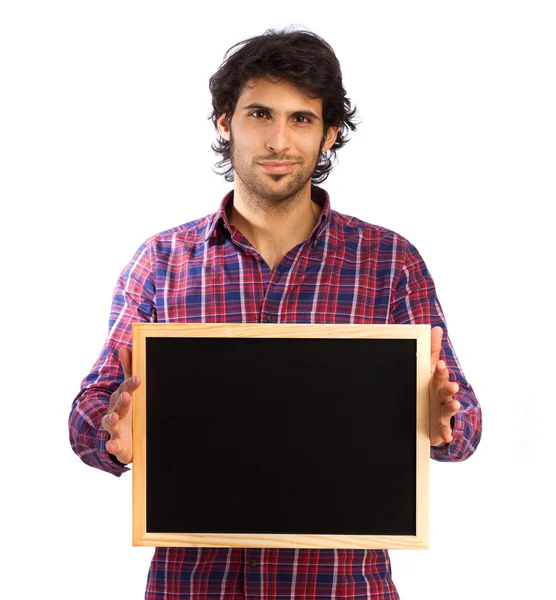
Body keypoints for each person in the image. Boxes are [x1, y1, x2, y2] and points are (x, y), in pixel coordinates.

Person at [69, 26, 482, 600]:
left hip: (340, 586)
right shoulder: (162, 261)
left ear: (330, 133)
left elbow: (461, 427)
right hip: (195, 587)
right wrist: (113, 432)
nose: (279, 140)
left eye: (302, 119)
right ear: (224, 122)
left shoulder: (388, 262)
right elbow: (90, 410)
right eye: (260, 114)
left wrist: (445, 423)